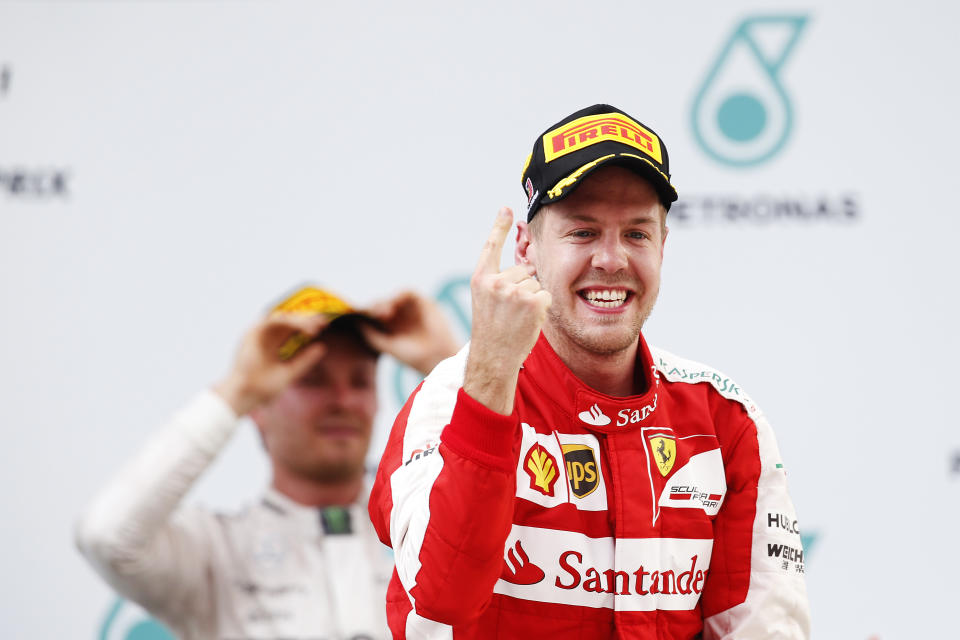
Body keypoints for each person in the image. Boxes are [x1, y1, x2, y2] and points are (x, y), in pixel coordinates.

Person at [369, 105, 810, 639]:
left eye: (637, 234)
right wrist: (490, 379)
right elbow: (440, 603)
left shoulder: (726, 420)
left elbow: (761, 630)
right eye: (582, 232)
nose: (611, 259)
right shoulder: (453, 396)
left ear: (663, 248)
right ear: (527, 249)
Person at [76, 286, 460, 640]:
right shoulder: (214, 552)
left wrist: (449, 366)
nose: (342, 400)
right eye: (313, 379)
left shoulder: (427, 530)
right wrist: (236, 391)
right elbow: (105, 536)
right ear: (260, 403)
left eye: (359, 381)